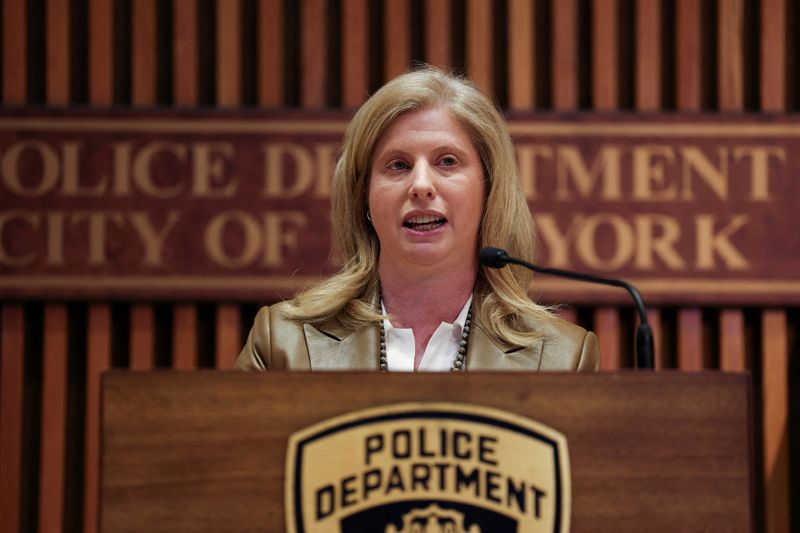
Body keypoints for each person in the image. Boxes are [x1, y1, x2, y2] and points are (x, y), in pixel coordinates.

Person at [236, 66, 599, 372]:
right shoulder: (283, 345)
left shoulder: (561, 359)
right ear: (364, 194)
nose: (421, 185)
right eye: (398, 165)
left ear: (489, 190)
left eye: (447, 162)